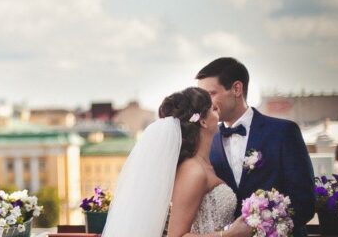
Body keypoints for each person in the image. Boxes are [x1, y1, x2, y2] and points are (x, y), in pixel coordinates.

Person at [103, 87, 251, 236]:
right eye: (213, 109)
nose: (217, 110)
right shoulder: (193, 171)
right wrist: (229, 234)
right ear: (204, 121)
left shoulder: (204, 165)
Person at [197, 58, 315, 237]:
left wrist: (264, 229)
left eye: (211, 94)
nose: (205, 104)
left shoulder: (284, 132)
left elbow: (304, 203)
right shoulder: (206, 142)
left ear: (237, 89)